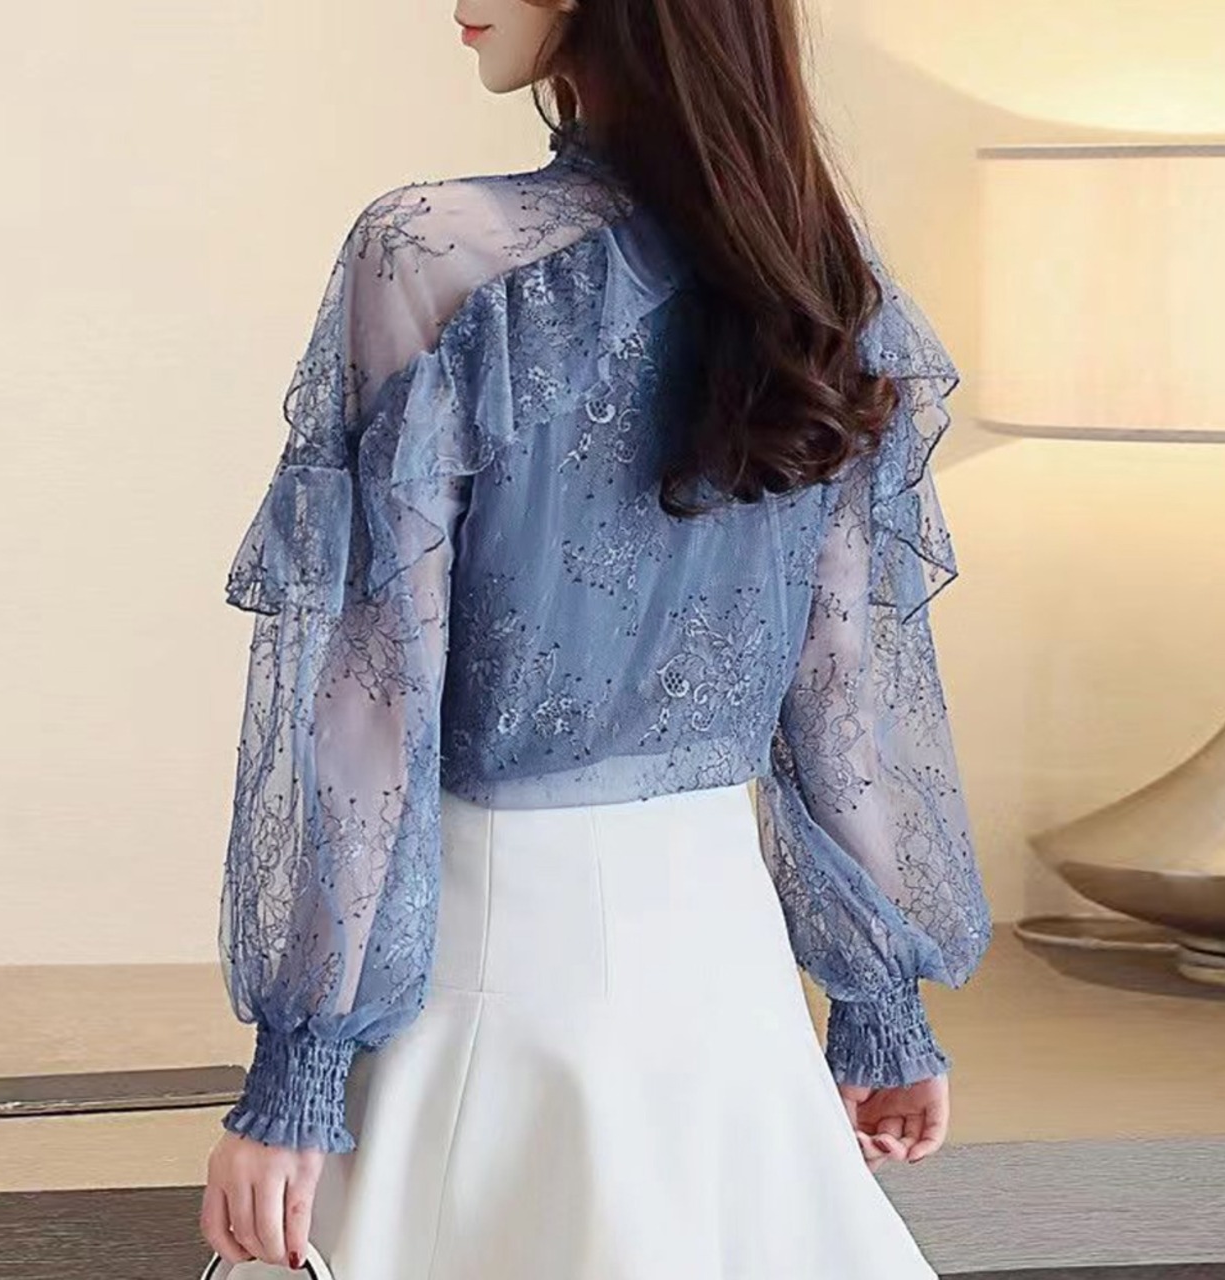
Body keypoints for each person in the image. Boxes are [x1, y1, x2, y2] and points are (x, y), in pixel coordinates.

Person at [199, 0, 994, 1275]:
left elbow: (369, 705)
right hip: (730, 997)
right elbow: (840, 688)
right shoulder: (817, 275)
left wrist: (294, 1074)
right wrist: (877, 1002)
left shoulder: (431, 250)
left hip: (494, 986)